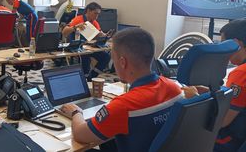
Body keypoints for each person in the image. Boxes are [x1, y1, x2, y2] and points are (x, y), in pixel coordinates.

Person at [60, 28, 182, 152]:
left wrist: (76, 113)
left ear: (122, 62)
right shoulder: (175, 89)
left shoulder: (122, 106)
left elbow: (81, 135)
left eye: (113, 58)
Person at [183, 19, 246, 152]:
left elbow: (221, 122)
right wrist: (210, 93)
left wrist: (194, 98)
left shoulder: (241, 73)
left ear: (236, 44)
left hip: (230, 142)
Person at [62, 2, 112, 80]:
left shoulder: (94, 22)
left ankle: (91, 77)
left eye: (98, 14)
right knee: (85, 58)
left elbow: (99, 33)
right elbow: (64, 32)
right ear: (88, 11)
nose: (97, 16)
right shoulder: (78, 19)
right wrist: (75, 27)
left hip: (88, 47)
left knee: (105, 57)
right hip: (77, 48)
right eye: (95, 13)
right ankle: (84, 76)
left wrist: (105, 36)